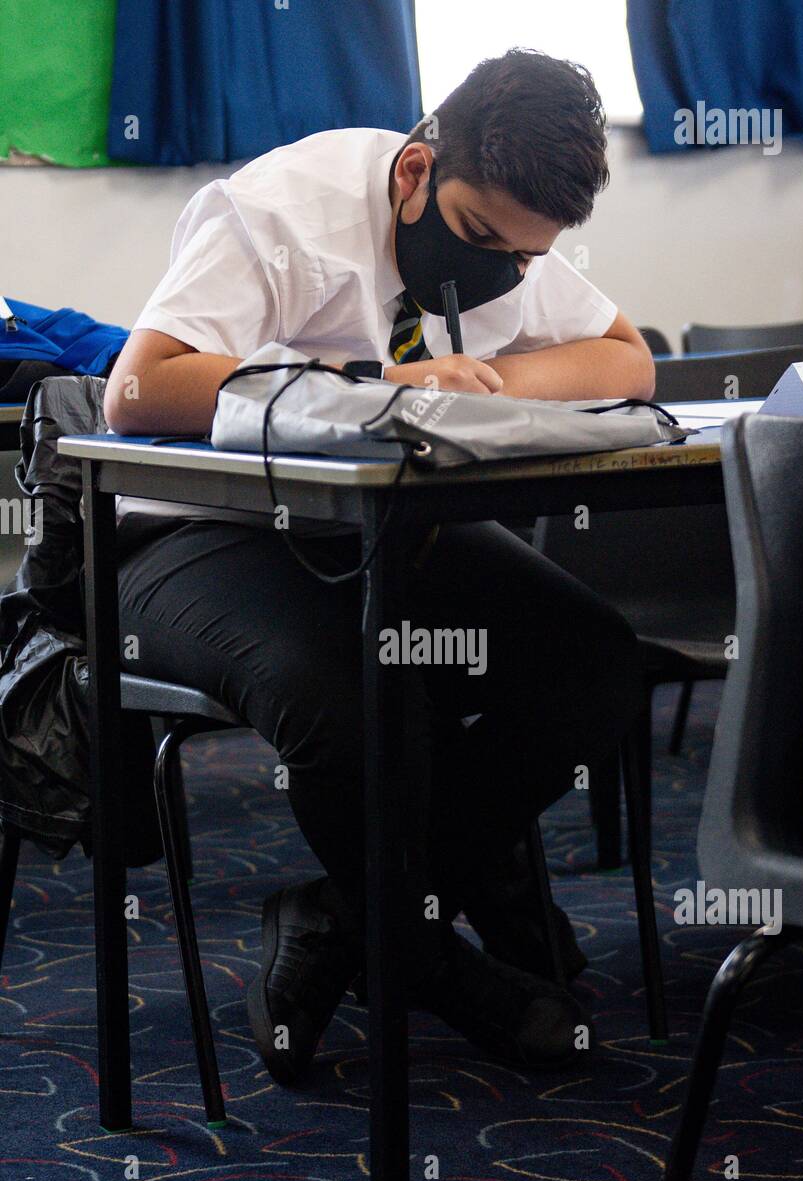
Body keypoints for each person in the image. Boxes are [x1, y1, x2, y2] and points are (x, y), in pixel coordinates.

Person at [105, 49, 651, 1086]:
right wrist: (374, 379)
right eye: (483, 240)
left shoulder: (509, 226)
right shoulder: (276, 210)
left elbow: (624, 359)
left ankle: (345, 915)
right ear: (413, 173)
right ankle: (429, 957)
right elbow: (141, 389)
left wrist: (491, 377)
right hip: (195, 533)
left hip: (374, 529)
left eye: (523, 259)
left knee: (590, 661)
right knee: (347, 692)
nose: (499, 270)